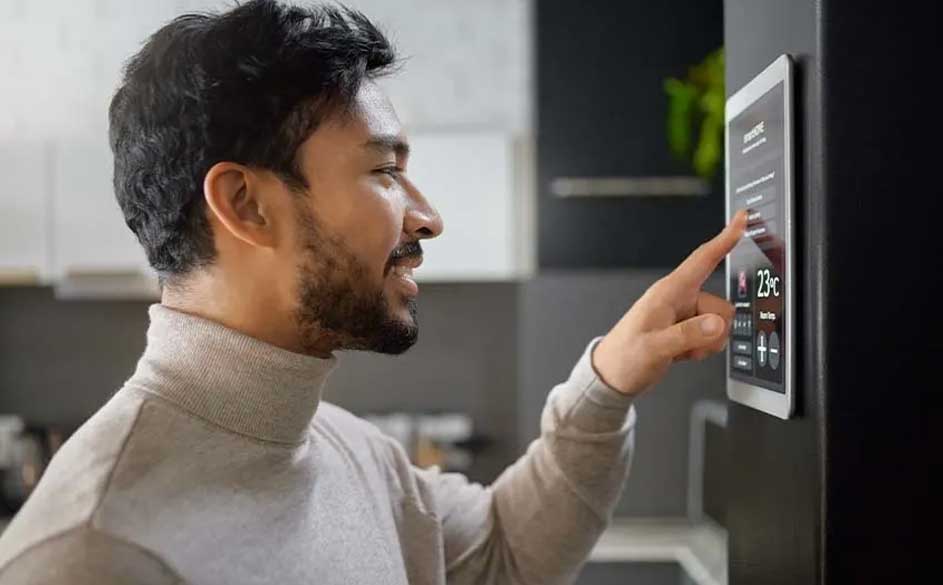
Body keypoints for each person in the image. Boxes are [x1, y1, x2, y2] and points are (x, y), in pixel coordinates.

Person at [0, 1, 746, 583]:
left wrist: (605, 381)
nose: (427, 215)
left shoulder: (345, 446)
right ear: (247, 205)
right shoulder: (93, 554)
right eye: (384, 171)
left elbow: (502, 558)